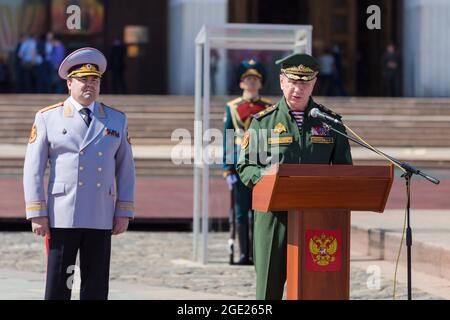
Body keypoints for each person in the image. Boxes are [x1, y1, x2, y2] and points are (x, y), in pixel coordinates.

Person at [236, 53, 352, 299]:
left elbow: (344, 171)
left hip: (317, 219)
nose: (298, 89)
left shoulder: (331, 124)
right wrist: (268, 179)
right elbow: (246, 165)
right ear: (281, 82)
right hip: (273, 218)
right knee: (268, 290)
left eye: (305, 83)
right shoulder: (262, 123)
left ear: (314, 84)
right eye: (293, 82)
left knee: (316, 288)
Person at [23, 47, 136, 300]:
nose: (89, 85)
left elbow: (126, 168)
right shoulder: (48, 118)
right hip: (63, 212)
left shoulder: (116, 119)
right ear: (69, 83)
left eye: (94, 80)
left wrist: (124, 211)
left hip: (100, 211)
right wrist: (37, 212)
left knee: (96, 285)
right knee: (58, 284)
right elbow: (33, 169)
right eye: (83, 79)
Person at [223, 59, 272, 265]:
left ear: (260, 84)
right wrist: (227, 168)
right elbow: (228, 136)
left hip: (262, 164)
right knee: (241, 212)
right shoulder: (233, 107)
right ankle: (244, 254)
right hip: (240, 165)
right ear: (241, 83)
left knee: (260, 212)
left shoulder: (268, 107)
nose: (251, 83)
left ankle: (258, 253)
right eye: (248, 79)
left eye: (255, 79)